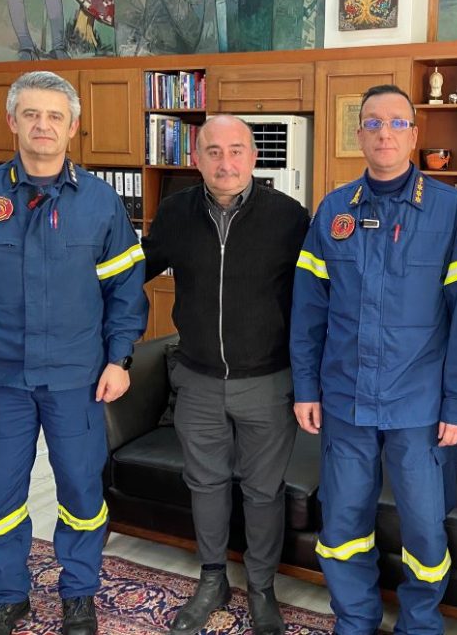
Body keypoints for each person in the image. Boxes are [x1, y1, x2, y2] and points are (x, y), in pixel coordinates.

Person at [0, 71, 149, 635]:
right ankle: (7, 597)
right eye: (31, 114)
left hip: (78, 378)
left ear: (72, 127)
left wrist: (119, 359)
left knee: (82, 491)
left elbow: (125, 292)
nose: (42, 125)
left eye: (54, 116)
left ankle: (79, 594)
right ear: (12, 122)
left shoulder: (100, 202)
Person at [290, 85, 457, 634]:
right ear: (359, 134)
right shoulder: (335, 209)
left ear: (414, 135)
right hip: (345, 399)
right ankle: (354, 620)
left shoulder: (448, 208)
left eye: (397, 123)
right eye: (373, 122)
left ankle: (419, 624)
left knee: (425, 529)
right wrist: (306, 388)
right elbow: (308, 310)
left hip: (419, 407)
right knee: (342, 526)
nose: (384, 133)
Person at [141, 114, 309, 635]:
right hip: (197, 380)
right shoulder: (175, 212)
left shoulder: (289, 217)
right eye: (213, 151)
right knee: (205, 484)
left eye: (236, 150)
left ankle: (261, 587)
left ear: (254, 157)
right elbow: (131, 274)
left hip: (269, 381)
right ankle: (212, 578)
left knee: (263, 492)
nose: (225, 162)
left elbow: (314, 301)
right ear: (196, 158)